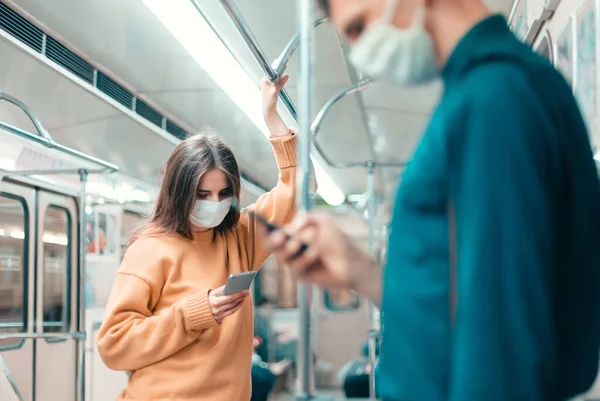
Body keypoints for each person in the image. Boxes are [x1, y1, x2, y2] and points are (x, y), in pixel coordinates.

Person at [264, 1, 600, 401]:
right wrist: (362, 271)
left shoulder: (492, 99)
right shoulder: (485, 93)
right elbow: (454, 296)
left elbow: (499, 334)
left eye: (357, 28)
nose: (361, 50)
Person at [96, 75, 301, 401]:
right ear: (180, 192)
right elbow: (114, 346)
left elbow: (298, 188)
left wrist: (272, 118)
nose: (215, 204)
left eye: (224, 193)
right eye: (202, 194)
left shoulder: (241, 237)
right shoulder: (150, 249)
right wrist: (196, 312)